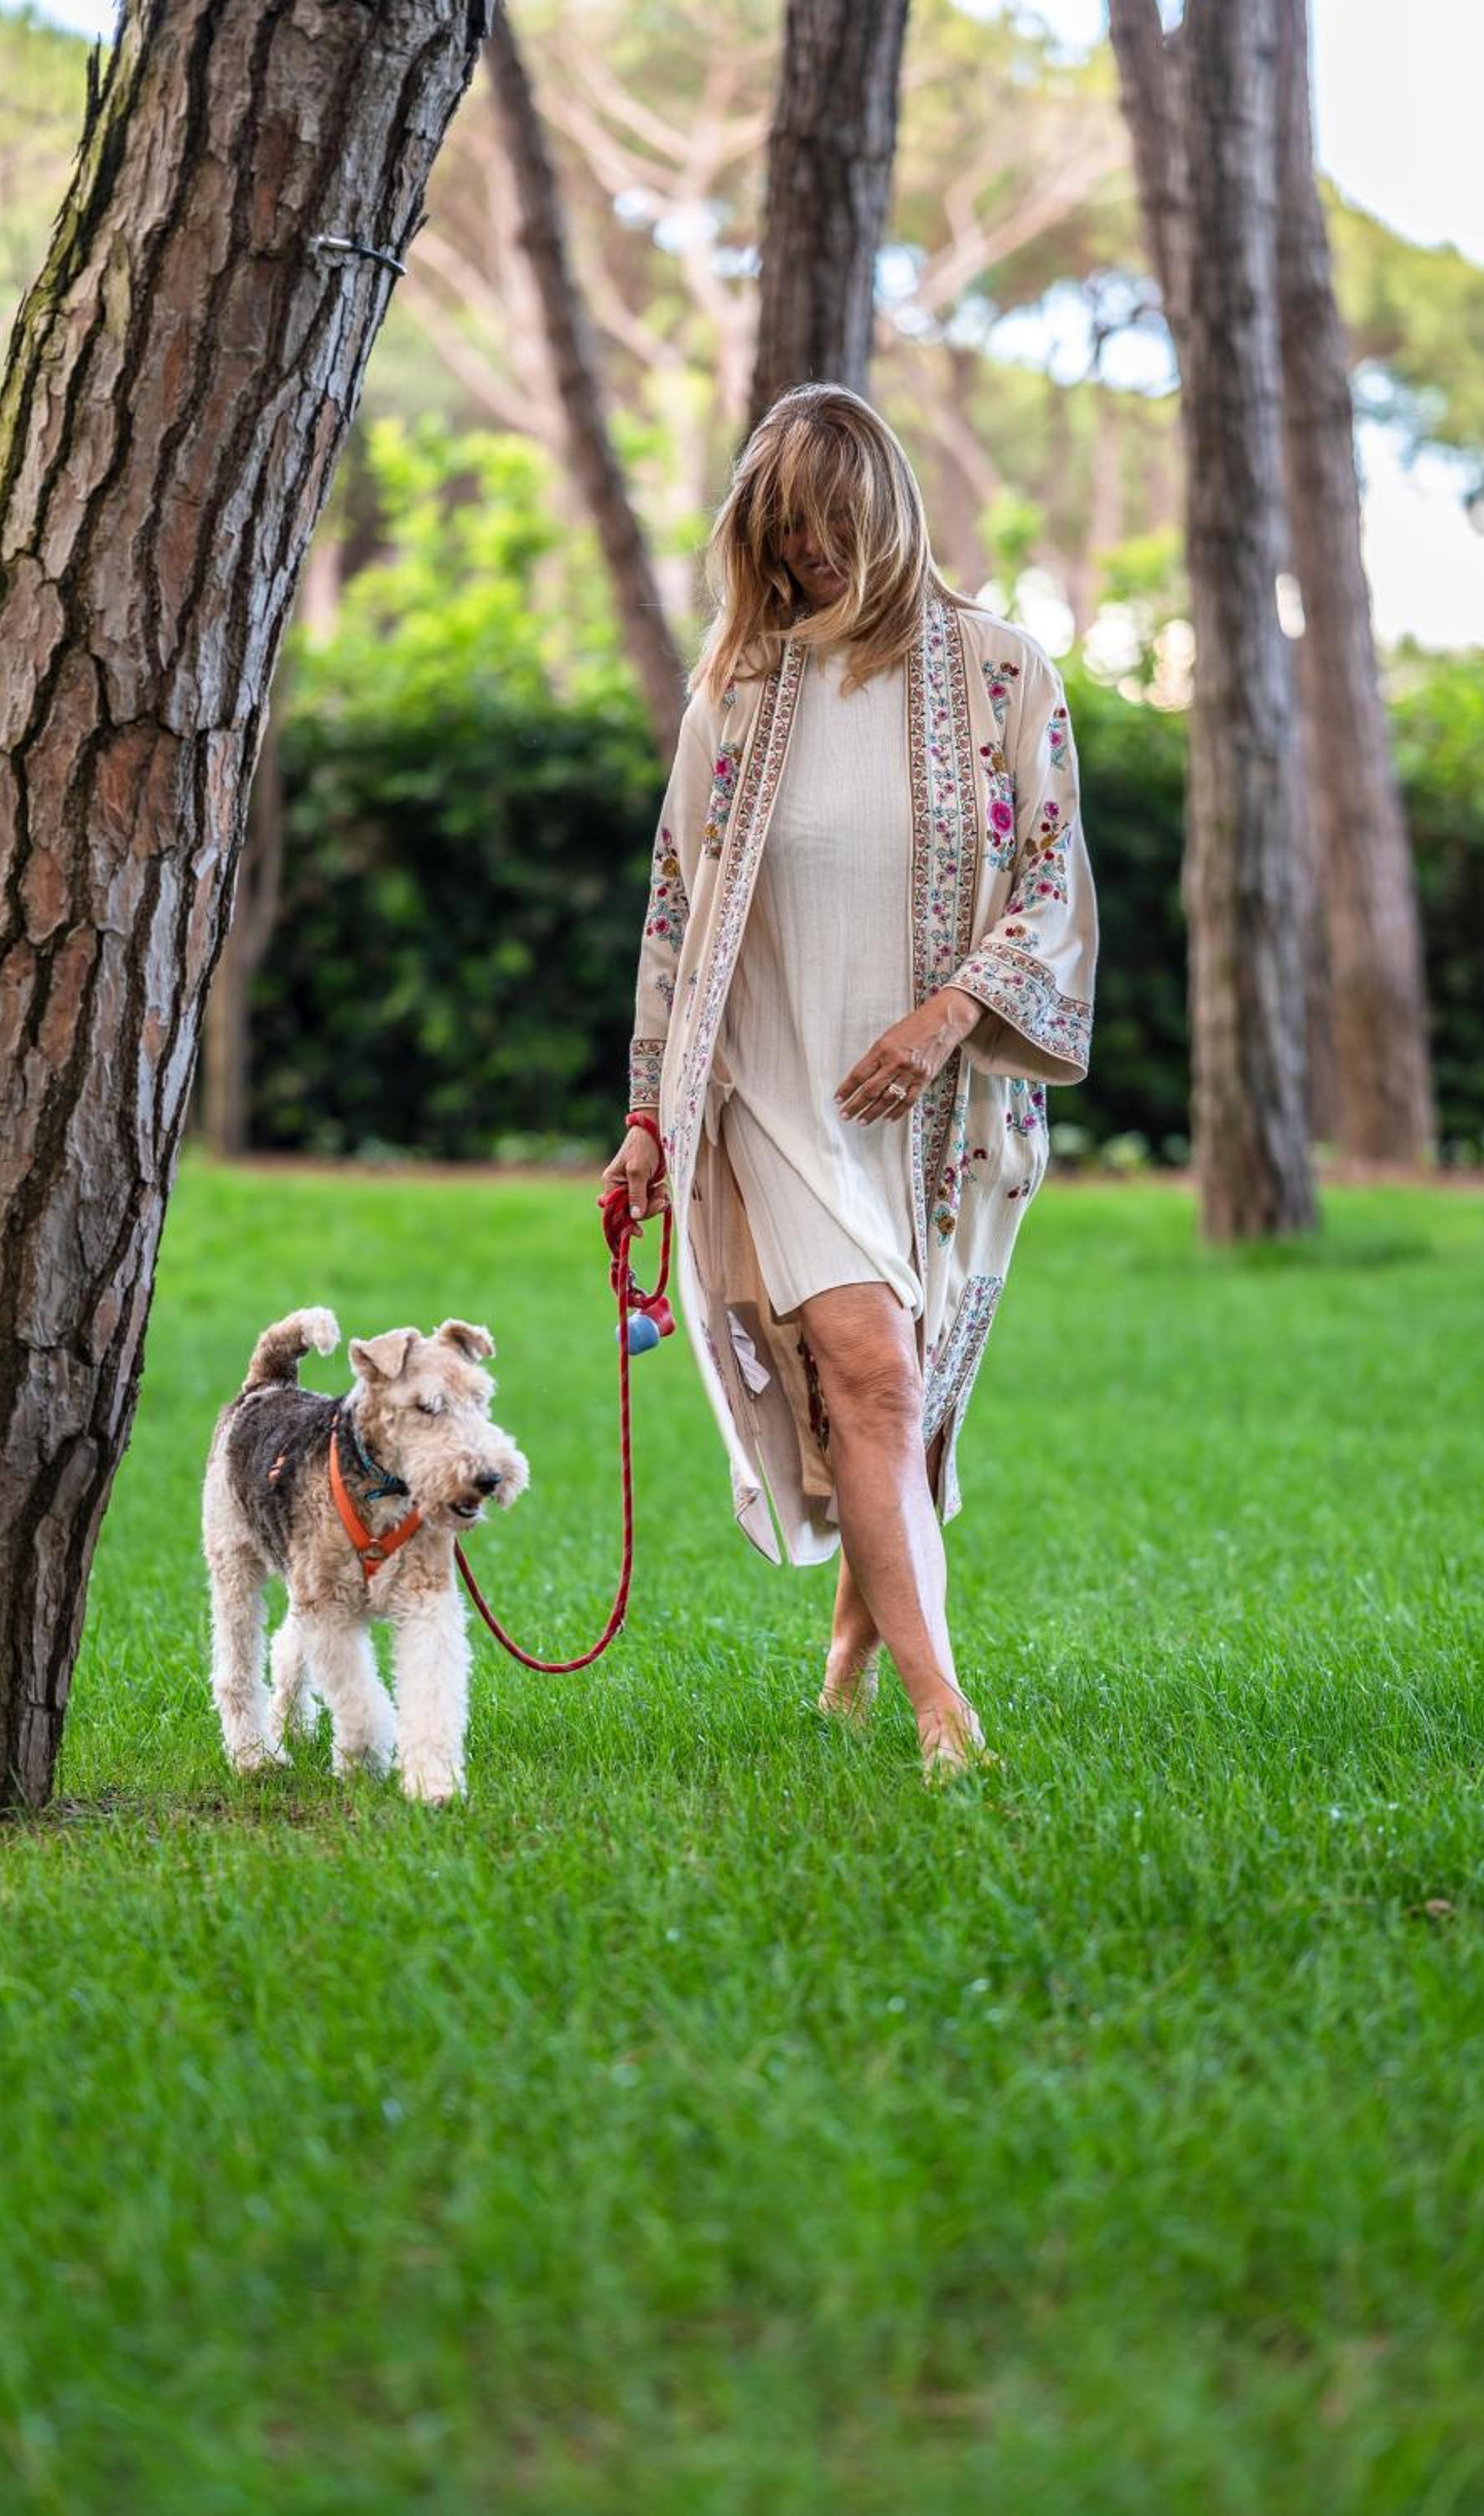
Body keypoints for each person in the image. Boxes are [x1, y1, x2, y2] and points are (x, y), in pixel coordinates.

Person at [600, 383, 1097, 1776]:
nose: (808, 554)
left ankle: (850, 1661)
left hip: (948, 1111)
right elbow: (674, 914)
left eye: (829, 523)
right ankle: (948, 1719)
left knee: (907, 1399)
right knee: (873, 1373)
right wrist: (646, 1113)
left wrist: (949, 1017)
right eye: (781, 529)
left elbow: (1052, 886)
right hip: (775, 1095)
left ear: (887, 513)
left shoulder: (1003, 675)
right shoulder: (737, 697)